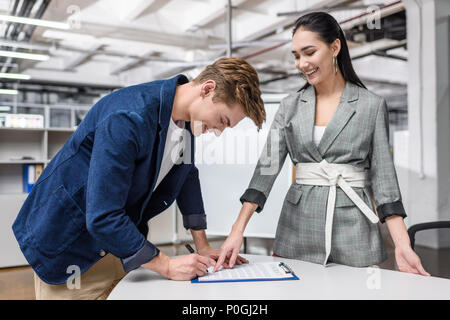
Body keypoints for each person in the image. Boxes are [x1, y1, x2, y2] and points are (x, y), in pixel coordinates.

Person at [12, 57, 265, 299]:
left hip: (118, 243)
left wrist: (203, 246)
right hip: (69, 244)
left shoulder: (187, 123)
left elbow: (188, 176)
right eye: (222, 120)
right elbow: (102, 215)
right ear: (207, 89)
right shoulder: (129, 115)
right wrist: (166, 265)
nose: (219, 131)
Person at [214, 12, 430, 277]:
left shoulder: (370, 106)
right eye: (296, 55)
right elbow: (265, 171)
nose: (302, 63)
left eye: (309, 52)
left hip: (354, 227)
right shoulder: (289, 106)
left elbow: (385, 184)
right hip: (297, 226)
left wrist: (403, 245)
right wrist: (237, 231)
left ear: (335, 47)